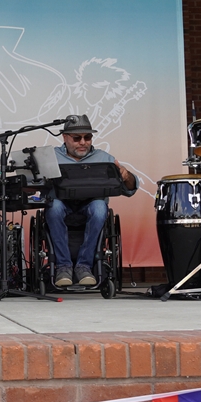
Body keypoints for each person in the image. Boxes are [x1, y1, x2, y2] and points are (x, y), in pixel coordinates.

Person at [47, 114, 137, 287]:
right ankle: (63, 266)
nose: (83, 142)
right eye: (77, 138)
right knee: (54, 206)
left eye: (87, 137)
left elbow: (130, 189)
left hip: (91, 206)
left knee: (100, 207)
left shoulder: (104, 158)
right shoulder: (51, 157)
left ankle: (84, 266)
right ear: (65, 137)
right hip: (61, 205)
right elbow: (32, 186)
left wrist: (127, 176)